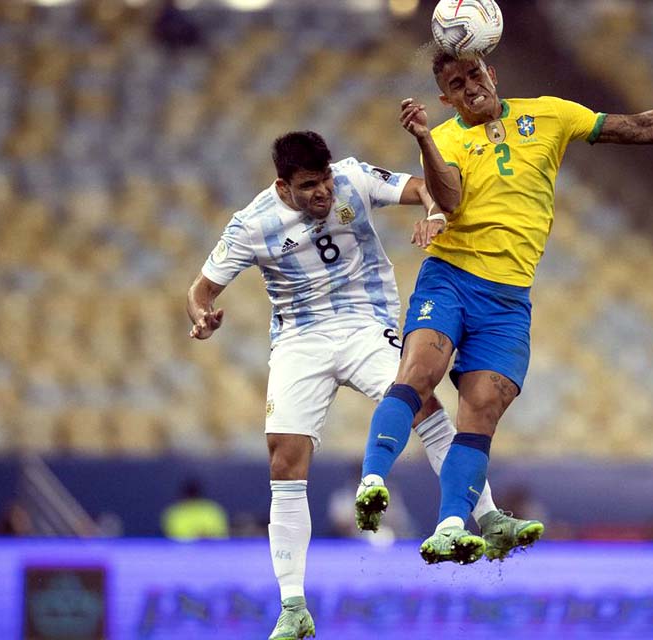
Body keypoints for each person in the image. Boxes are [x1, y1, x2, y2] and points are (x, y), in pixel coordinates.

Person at [357, 50, 653, 565]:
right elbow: (450, 201)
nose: (469, 87)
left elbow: (639, 126)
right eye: (456, 85)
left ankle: (452, 525)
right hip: (452, 278)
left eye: (474, 75)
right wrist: (424, 138)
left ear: (492, 73)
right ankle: (372, 480)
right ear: (446, 98)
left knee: (481, 410)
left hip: (508, 300)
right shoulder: (448, 138)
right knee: (419, 373)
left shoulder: (549, 114)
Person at [186, 131, 534, 640]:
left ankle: (489, 518)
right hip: (299, 339)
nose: (323, 192)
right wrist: (201, 315)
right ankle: (293, 608)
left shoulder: (354, 176)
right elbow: (201, 289)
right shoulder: (251, 225)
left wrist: (435, 211)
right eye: (309, 185)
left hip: (365, 324)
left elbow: (426, 187)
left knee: (423, 404)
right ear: (283, 187)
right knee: (284, 458)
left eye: (325, 179)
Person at [160, 477, 229, 541]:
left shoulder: (212, 510)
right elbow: (173, 535)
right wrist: (196, 536)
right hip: (182, 552)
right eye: (189, 495)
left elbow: (221, 534)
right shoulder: (173, 513)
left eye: (193, 495)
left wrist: (206, 536)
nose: (191, 500)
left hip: (212, 551)